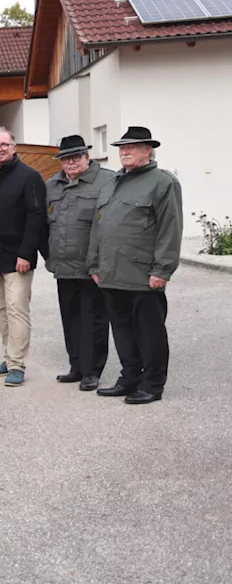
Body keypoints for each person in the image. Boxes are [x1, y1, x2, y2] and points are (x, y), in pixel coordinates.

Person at [88, 127, 182, 405]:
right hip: (112, 273)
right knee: (122, 329)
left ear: (148, 150)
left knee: (149, 331)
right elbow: (99, 226)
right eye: (121, 148)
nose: (125, 152)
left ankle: (152, 384)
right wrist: (94, 264)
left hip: (143, 274)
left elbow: (170, 229)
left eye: (132, 147)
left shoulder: (163, 182)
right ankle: (129, 377)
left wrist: (162, 270)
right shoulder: (113, 182)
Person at [0, 126, 46, 388]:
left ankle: (17, 364)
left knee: (17, 311)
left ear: (14, 148)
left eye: (5, 144)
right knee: (0, 311)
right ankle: (8, 356)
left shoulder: (29, 177)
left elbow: (36, 217)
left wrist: (26, 253)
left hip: (18, 259)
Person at [44, 135, 112, 392]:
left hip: (91, 267)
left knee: (94, 320)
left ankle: (92, 371)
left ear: (87, 156)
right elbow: (44, 224)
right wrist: (49, 258)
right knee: (70, 318)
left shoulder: (107, 181)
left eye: (75, 157)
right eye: (65, 158)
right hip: (63, 267)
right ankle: (76, 366)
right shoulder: (51, 185)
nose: (70, 162)